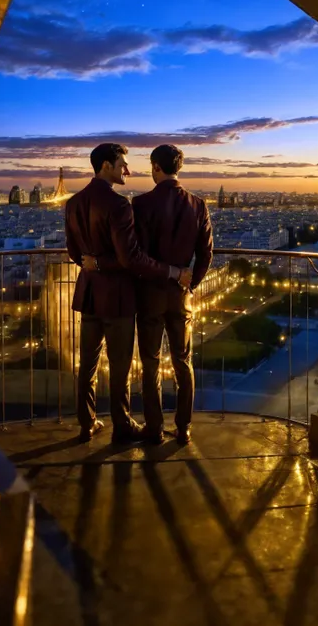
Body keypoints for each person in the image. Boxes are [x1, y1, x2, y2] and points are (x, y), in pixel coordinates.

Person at [83, 144, 213, 445]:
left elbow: (134, 255)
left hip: (149, 294)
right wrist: (190, 284)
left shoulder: (139, 205)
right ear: (177, 168)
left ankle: (154, 427)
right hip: (180, 295)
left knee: (151, 361)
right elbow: (206, 253)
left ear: (156, 167)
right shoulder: (198, 205)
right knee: (183, 360)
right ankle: (183, 427)